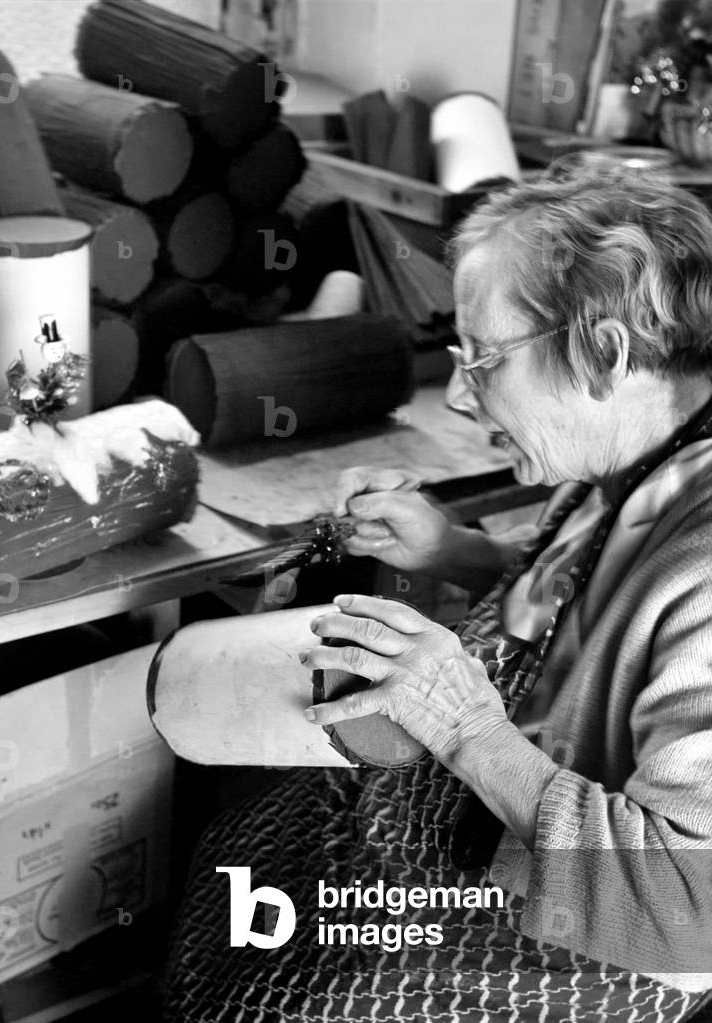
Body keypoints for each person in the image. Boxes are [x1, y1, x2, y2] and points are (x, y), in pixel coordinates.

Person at [163, 166, 712, 1022]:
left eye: (484, 358)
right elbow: (593, 615)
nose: (459, 393)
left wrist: (465, 727)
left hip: (588, 957)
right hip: (477, 837)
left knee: (293, 994)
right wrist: (452, 548)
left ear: (603, 355)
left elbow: (687, 915)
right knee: (243, 867)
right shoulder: (635, 456)